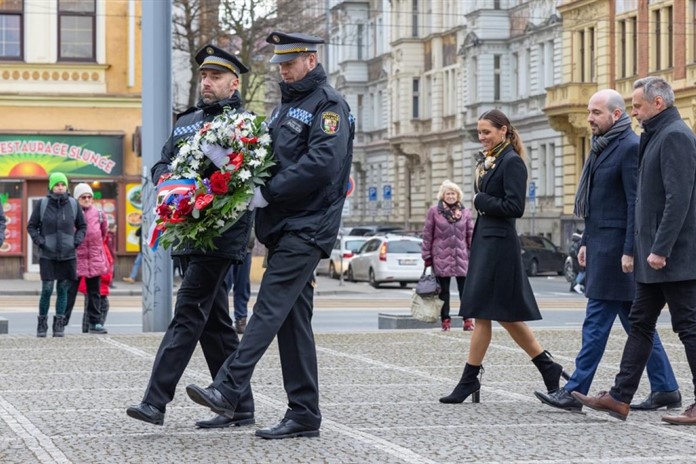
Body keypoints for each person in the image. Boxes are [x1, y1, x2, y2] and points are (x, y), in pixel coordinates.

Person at [185, 31, 354, 440]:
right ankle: (304, 413)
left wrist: (268, 191)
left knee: (267, 309)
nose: (282, 69)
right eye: (278, 63)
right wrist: (230, 165)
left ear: (310, 61)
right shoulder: (283, 110)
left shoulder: (328, 106)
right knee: (293, 323)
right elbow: (266, 159)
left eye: (289, 63)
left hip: (308, 226)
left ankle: (228, 386)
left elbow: (322, 164)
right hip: (282, 227)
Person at [126, 44, 256, 429]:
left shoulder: (245, 124)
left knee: (187, 314)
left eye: (215, 77)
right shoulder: (186, 121)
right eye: (203, 76)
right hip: (185, 232)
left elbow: (243, 180)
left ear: (234, 83)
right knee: (214, 323)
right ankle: (240, 406)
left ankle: (155, 401)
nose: (207, 82)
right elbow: (162, 162)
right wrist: (168, 182)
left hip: (220, 236)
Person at [534, 89, 680, 413]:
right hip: (601, 245)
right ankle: (667, 388)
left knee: (596, 322)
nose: (589, 118)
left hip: (616, 253)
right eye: (588, 111)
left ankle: (574, 391)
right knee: (637, 326)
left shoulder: (628, 147)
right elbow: (599, 205)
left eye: (596, 113)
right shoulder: (602, 146)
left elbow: (634, 205)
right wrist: (585, 240)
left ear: (615, 115)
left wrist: (629, 251)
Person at [572, 77, 696, 425]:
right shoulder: (655, 136)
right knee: (640, 323)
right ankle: (620, 397)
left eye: (638, 106)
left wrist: (659, 248)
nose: (634, 113)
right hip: (654, 256)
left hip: (673, 257)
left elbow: (679, 200)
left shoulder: (675, 136)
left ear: (658, 103)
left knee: (688, 328)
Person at [439, 109, 567, 404]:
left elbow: (515, 207)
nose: (481, 137)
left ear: (503, 130)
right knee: (495, 314)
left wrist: (479, 200)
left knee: (493, 313)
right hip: (486, 241)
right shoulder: (492, 159)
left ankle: (472, 380)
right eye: (479, 132)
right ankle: (546, 369)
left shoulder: (511, 162)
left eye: (486, 132)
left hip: (499, 245)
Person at [27, 172, 86, 337]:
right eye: (57, 185)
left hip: (68, 254)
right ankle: (42, 324)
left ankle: (59, 324)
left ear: (66, 186)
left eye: (62, 184)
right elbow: (32, 226)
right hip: (47, 255)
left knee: (63, 289)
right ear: (51, 186)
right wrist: (41, 241)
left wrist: (76, 241)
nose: (60, 187)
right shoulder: (43, 204)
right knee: (46, 289)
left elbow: (82, 226)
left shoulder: (73, 204)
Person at [421, 179, 475, 332]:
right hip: (441, 256)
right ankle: (445, 320)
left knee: (465, 291)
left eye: (453, 193)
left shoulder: (465, 212)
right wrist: (427, 256)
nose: (451, 196)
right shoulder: (434, 211)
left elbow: (470, 234)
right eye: (448, 193)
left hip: (461, 256)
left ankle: (468, 320)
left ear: (458, 195)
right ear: (442, 195)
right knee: (443, 292)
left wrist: (474, 254)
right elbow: (427, 234)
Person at [65, 183, 110, 334]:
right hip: (76, 258)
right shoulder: (70, 213)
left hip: (94, 259)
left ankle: (95, 322)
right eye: (83, 197)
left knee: (94, 292)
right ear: (76, 199)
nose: (87, 199)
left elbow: (103, 234)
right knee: (69, 292)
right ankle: (62, 321)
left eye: (89, 196)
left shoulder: (99, 214)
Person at [223, 223, 255, 334]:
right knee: (224, 285)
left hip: (246, 247)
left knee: (243, 285)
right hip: (227, 246)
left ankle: (241, 320)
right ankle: (223, 320)